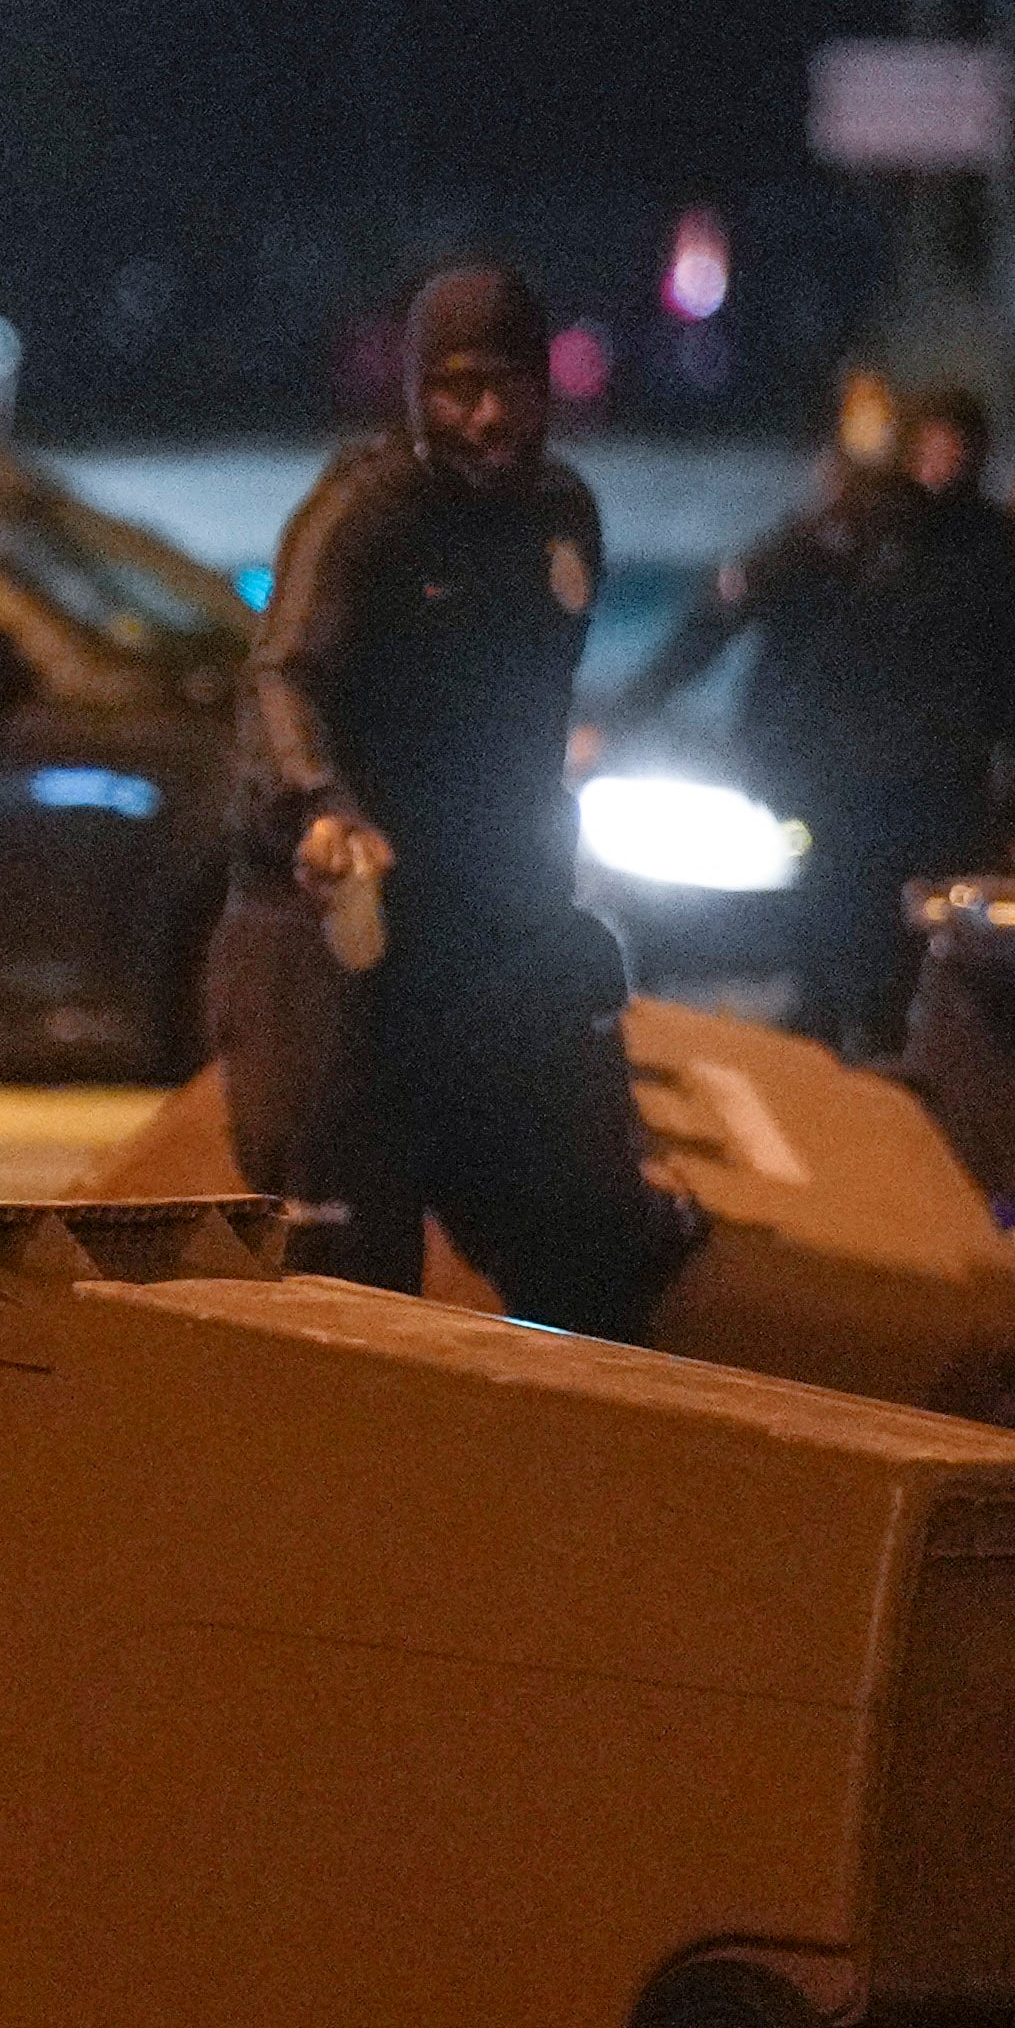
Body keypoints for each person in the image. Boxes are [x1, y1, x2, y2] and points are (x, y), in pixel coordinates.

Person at [214, 260, 701, 1342]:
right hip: (343, 934)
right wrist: (320, 805)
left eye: (507, 388)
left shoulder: (562, 516)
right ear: (413, 393)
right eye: (454, 389)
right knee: (351, 1276)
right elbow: (283, 675)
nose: (484, 418)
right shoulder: (365, 514)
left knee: (591, 1248)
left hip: (486, 935)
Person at [597, 378, 1015, 1056]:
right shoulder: (844, 531)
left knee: (906, 959)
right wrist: (620, 719)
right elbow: (721, 618)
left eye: (954, 445)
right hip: (841, 789)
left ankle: (870, 1048)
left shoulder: (990, 548)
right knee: (844, 945)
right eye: (929, 444)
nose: (940, 462)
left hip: (933, 792)